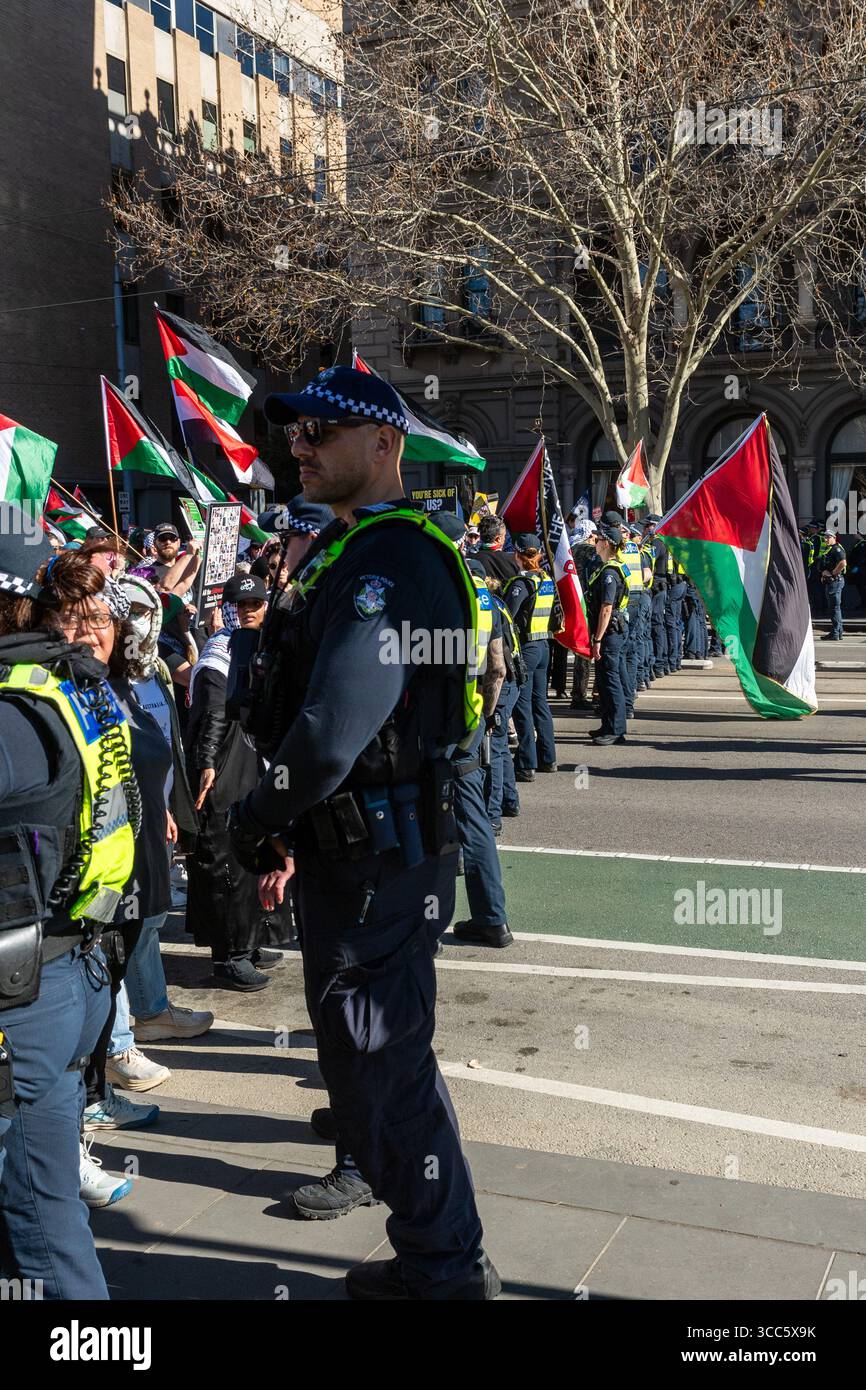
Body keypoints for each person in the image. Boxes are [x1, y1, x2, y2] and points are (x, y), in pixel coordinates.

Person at [227, 363, 500, 1299]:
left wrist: (256, 817)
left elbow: (333, 732)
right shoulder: (356, 549)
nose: (298, 448)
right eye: (293, 434)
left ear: (385, 444)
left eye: (321, 433)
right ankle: (435, 1247)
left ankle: (444, 1266)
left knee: (384, 1068)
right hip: (362, 853)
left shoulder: (389, 562)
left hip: (381, 859)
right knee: (370, 1061)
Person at [0, 512, 138, 1293]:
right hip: (68, 971)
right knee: (43, 1204)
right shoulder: (67, 685)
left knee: (37, 1218)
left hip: (24, 992)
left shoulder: (14, 711)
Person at [186, 574, 291, 990]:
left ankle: (253, 939)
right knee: (223, 858)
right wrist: (208, 761)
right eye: (240, 604)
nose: (248, 611)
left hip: (254, 762)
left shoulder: (265, 647)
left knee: (255, 852)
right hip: (223, 767)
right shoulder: (218, 656)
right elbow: (212, 714)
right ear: (226, 608)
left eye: (255, 603)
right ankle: (228, 954)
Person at [503, 534, 557, 781]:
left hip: (527, 648)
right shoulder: (546, 580)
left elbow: (507, 616)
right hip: (544, 645)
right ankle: (548, 757)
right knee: (540, 703)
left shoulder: (521, 584)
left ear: (519, 555)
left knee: (521, 706)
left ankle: (526, 763)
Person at [586, 521, 630, 745]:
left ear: (607, 544)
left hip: (610, 632)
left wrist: (598, 639)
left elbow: (606, 608)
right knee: (604, 679)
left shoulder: (610, 572)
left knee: (611, 679)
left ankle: (616, 729)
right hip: (612, 630)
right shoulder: (608, 568)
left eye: (599, 539)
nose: (595, 542)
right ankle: (608, 724)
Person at [620, 522, 653, 718]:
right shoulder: (636, 551)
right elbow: (647, 573)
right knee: (633, 647)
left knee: (623, 653)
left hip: (624, 603)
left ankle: (624, 700)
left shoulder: (619, 550)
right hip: (638, 598)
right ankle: (631, 694)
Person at [474, 513, 520, 583]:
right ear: (498, 539)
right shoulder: (514, 561)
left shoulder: (471, 559)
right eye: (504, 536)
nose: (505, 539)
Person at [819, 530, 847, 639]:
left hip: (835, 581)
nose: (825, 540)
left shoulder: (837, 548)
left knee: (834, 608)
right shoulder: (829, 549)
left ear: (833, 537)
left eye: (827, 537)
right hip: (832, 581)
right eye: (825, 538)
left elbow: (843, 563)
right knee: (834, 608)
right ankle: (838, 632)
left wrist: (832, 574)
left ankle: (836, 632)